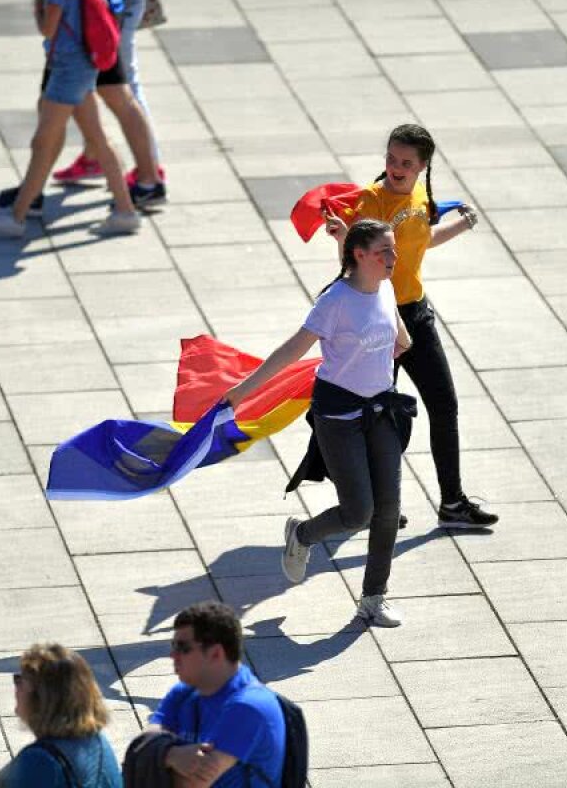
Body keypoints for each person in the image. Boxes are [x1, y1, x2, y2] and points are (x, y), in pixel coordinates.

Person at [224, 219, 414, 627]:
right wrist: (244, 390)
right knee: (358, 511)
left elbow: (402, 342)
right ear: (360, 255)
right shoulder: (334, 301)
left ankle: (373, 597)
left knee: (388, 509)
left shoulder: (386, 287)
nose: (393, 258)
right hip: (339, 417)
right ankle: (303, 535)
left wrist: (378, 359)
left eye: (393, 250)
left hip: (381, 411)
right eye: (385, 252)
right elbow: (293, 349)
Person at [325, 123, 498, 530]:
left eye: (405, 162)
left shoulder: (421, 195)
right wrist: (342, 237)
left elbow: (419, 243)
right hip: (379, 320)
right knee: (376, 415)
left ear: (423, 166)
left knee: (444, 405)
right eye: (390, 159)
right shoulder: (372, 199)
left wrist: (462, 225)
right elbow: (357, 259)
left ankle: (452, 503)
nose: (395, 168)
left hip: (415, 313)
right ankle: (371, 507)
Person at [0, 0, 141, 237]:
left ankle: (16, 216)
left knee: (43, 142)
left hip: (67, 71)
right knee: (98, 138)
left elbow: (48, 29)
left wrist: (37, 7)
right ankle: (125, 212)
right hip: (84, 65)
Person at [148, 602, 285, 787]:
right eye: (173, 646)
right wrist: (171, 755)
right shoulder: (184, 692)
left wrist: (158, 756)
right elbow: (143, 745)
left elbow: (192, 783)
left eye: (183, 647)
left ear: (215, 653)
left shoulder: (248, 706)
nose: (173, 655)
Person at [52, 0, 166, 207]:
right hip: (108, 2)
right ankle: (97, 157)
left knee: (119, 89)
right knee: (102, 87)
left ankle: (149, 176)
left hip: (103, 6)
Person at [8, 643, 123, 788]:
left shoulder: (39, 761)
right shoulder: (99, 743)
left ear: (41, 697)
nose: (16, 688)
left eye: (20, 680)